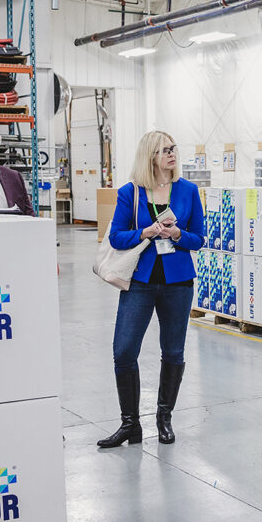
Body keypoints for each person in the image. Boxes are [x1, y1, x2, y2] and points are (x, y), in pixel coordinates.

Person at [97, 131, 205, 449]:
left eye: (173, 148)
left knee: (173, 351)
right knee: (124, 351)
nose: (171, 154)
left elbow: (199, 238)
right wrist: (144, 232)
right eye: (164, 150)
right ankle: (130, 424)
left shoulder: (188, 190)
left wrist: (177, 234)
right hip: (140, 282)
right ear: (150, 156)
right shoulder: (131, 192)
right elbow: (116, 236)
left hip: (178, 282)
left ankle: (164, 418)